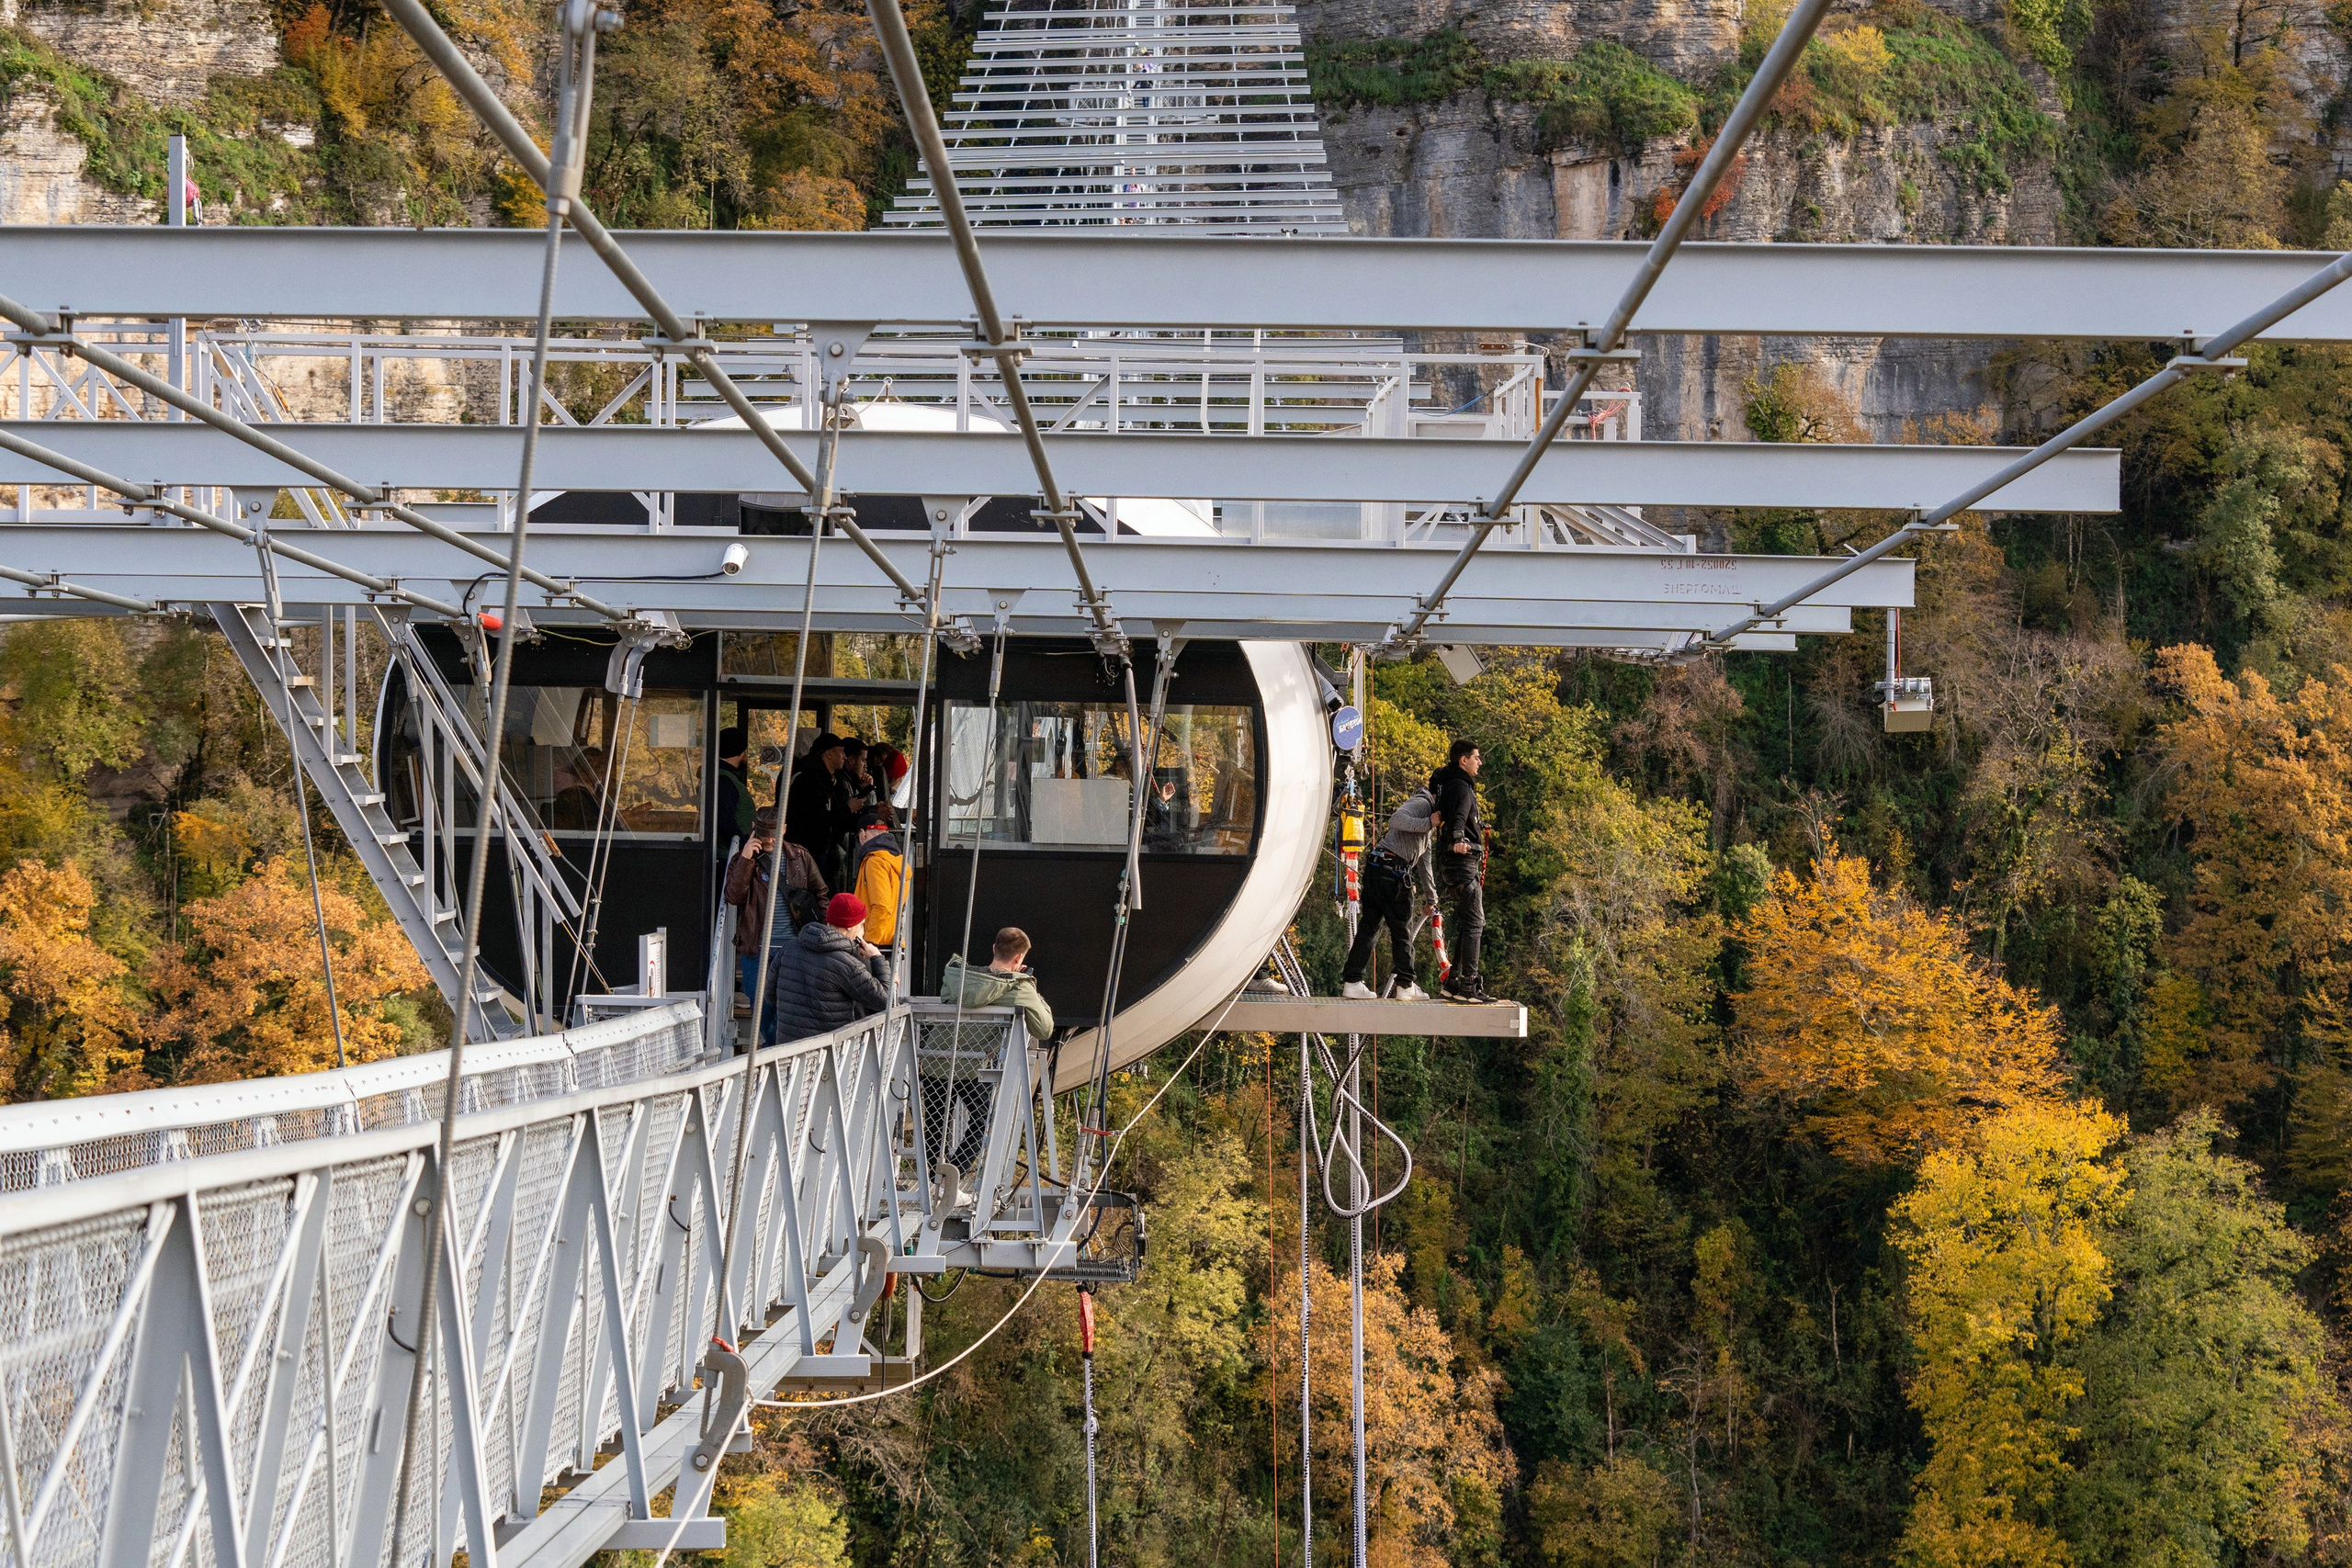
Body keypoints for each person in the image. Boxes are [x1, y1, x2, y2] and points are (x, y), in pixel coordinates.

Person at [929, 927, 1057, 1193]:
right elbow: (1044, 1029)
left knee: (935, 1126)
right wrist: (1032, 988)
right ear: (1018, 958)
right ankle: (949, 1178)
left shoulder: (958, 977)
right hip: (973, 1068)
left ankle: (933, 1178)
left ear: (993, 948)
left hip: (934, 1058)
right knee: (982, 1120)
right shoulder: (1017, 987)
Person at [723, 807, 826, 1024]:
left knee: (791, 1002)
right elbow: (733, 896)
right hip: (757, 945)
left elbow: (821, 894)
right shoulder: (742, 859)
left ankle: (778, 1049)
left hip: (793, 943)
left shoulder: (800, 856)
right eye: (764, 833)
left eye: (775, 833)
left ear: (785, 829)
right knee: (760, 1006)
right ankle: (770, 1047)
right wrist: (745, 859)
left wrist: (822, 932)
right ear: (754, 828)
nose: (769, 839)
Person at [1340, 784, 1439, 1001]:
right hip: (1392, 872)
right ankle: (1405, 985)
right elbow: (1396, 819)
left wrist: (1432, 899)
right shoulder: (1423, 803)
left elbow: (1425, 866)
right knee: (1401, 930)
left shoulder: (1426, 834)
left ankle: (1353, 981)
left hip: (1377, 869)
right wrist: (1428, 822)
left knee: (1369, 927)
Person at [766, 892, 888, 1043]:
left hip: (789, 1051)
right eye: (862, 924)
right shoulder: (848, 964)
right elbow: (884, 1001)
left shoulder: (788, 948)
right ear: (850, 927)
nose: (863, 931)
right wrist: (877, 959)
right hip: (829, 1055)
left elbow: (770, 993)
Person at [1429, 738, 1493, 1002]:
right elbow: (1458, 818)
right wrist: (1459, 839)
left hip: (1453, 866)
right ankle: (1469, 986)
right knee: (1476, 922)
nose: (1479, 762)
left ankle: (1453, 983)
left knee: (1469, 923)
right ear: (1463, 760)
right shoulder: (1462, 787)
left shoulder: (1449, 785)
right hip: (1463, 863)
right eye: (1476, 757)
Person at [784, 731, 850, 882]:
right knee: (818, 892)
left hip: (818, 848)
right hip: (807, 849)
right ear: (828, 754)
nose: (845, 757)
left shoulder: (827, 780)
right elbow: (816, 817)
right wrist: (847, 809)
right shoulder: (809, 780)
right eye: (841, 752)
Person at [850, 807, 905, 952]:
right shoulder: (897, 860)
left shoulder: (875, 861)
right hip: (892, 939)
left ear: (863, 834)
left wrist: (869, 942)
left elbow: (882, 906)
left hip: (877, 944)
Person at [715, 726, 755, 859]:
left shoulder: (722, 776)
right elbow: (725, 820)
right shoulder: (725, 780)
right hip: (730, 855)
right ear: (741, 753)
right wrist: (745, 842)